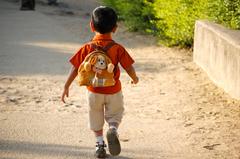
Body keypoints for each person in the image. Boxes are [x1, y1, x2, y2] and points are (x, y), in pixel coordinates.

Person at [61, 6, 139, 158]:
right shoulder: (118, 48)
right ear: (115, 28)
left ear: (91, 26)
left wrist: (66, 86)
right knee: (115, 114)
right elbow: (129, 67)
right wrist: (134, 78)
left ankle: (99, 144)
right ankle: (113, 129)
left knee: (95, 116)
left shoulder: (87, 48)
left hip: (93, 91)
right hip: (114, 90)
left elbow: (75, 68)